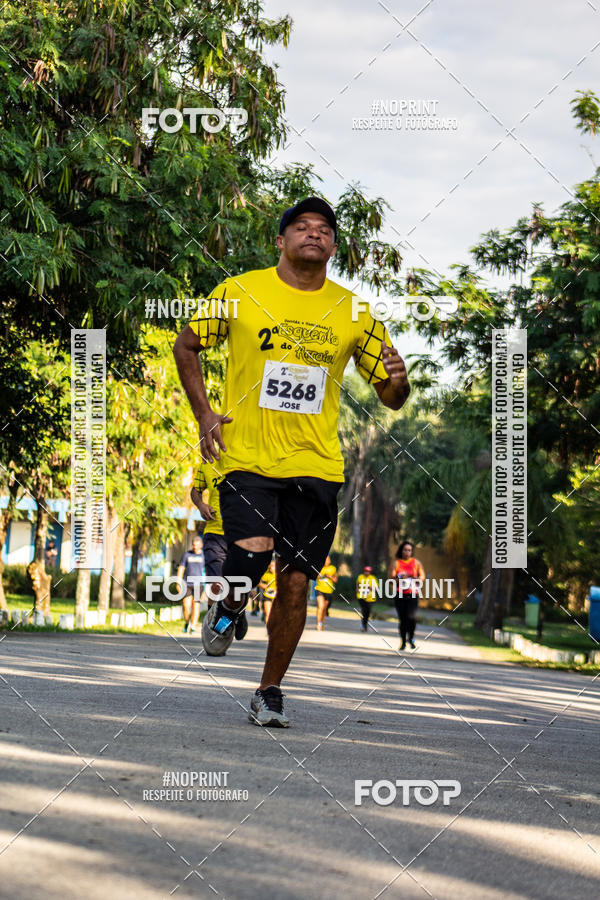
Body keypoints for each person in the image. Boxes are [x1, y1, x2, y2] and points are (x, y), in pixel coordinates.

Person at [173, 196, 410, 727]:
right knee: (252, 556)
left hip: (317, 465)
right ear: (280, 241)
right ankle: (230, 605)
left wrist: (399, 382)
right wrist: (205, 412)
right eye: (301, 226)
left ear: (333, 246)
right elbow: (186, 346)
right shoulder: (240, 292)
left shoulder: (353, 311)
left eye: (324, 229)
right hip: (248, 456)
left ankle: (270, 691)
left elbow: (391, 395)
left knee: (297, 581)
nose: (314, 233)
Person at [191, 460, 248, 641]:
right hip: (214, 533)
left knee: (236, 585)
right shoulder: (208, 464)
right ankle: (216, 630)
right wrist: (201, 505)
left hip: (241, 534)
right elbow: (195, 490)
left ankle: (238, 613)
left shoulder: (247, 460)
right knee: (216, 585)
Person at [394, 541, 426, 650]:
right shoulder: (396, 563)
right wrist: (400, 577)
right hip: (400, 595)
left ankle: (411, 639)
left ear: (412, 552)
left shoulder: (416, 563)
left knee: (412, 618)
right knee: (403, 619)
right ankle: (403, 642)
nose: (407, 552)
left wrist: (413, 577)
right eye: (405, 550)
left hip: (412, 594)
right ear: (401, 551)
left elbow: (422, 577)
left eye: (409, 550)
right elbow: (391, 579)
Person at [177, 535, 205, 633]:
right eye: (193, 545)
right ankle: (186, 622)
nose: (195, 547)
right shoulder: (187, 555)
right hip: (187, 584)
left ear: (201, 545)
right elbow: (181, 568)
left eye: (197, 545)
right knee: (186, 605)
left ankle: (193, 626)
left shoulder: (204, 556)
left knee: (195, 605)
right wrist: (178, 582)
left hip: (199, 584)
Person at [315, 555, 337, 631]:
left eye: (327, 560)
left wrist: (329, 576)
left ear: (329, 561)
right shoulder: (319, 568)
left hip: (329, 591)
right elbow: (315, 576)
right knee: (321, 607)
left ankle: (322, 622)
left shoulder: (333, 568)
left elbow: (335, 580)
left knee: (324, 608)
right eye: (324, 560)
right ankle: (318, 623)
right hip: (319, 589)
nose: (326, 561)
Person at [356, 565, 378, 631]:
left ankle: (364, 624)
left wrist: (368, 586)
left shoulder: (373, 578)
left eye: (368, 571)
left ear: (370, 572)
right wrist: (357, 588)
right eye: (365, 571)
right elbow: (357, 583)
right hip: (361, 596)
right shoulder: (360, 577)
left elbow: (376, 589)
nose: (367, 572)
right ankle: (363, 624)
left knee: (367, 611)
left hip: (370, 598)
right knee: (363, 610)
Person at [258, 558, 277, 624]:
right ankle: (269, 630)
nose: (271, 567)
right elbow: (257, 582)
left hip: (277, 597)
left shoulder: (281, 575)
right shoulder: (266, 575)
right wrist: (262, 585)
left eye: (273, 566)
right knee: (268, 614)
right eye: (270, 566)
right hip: (267, 596)